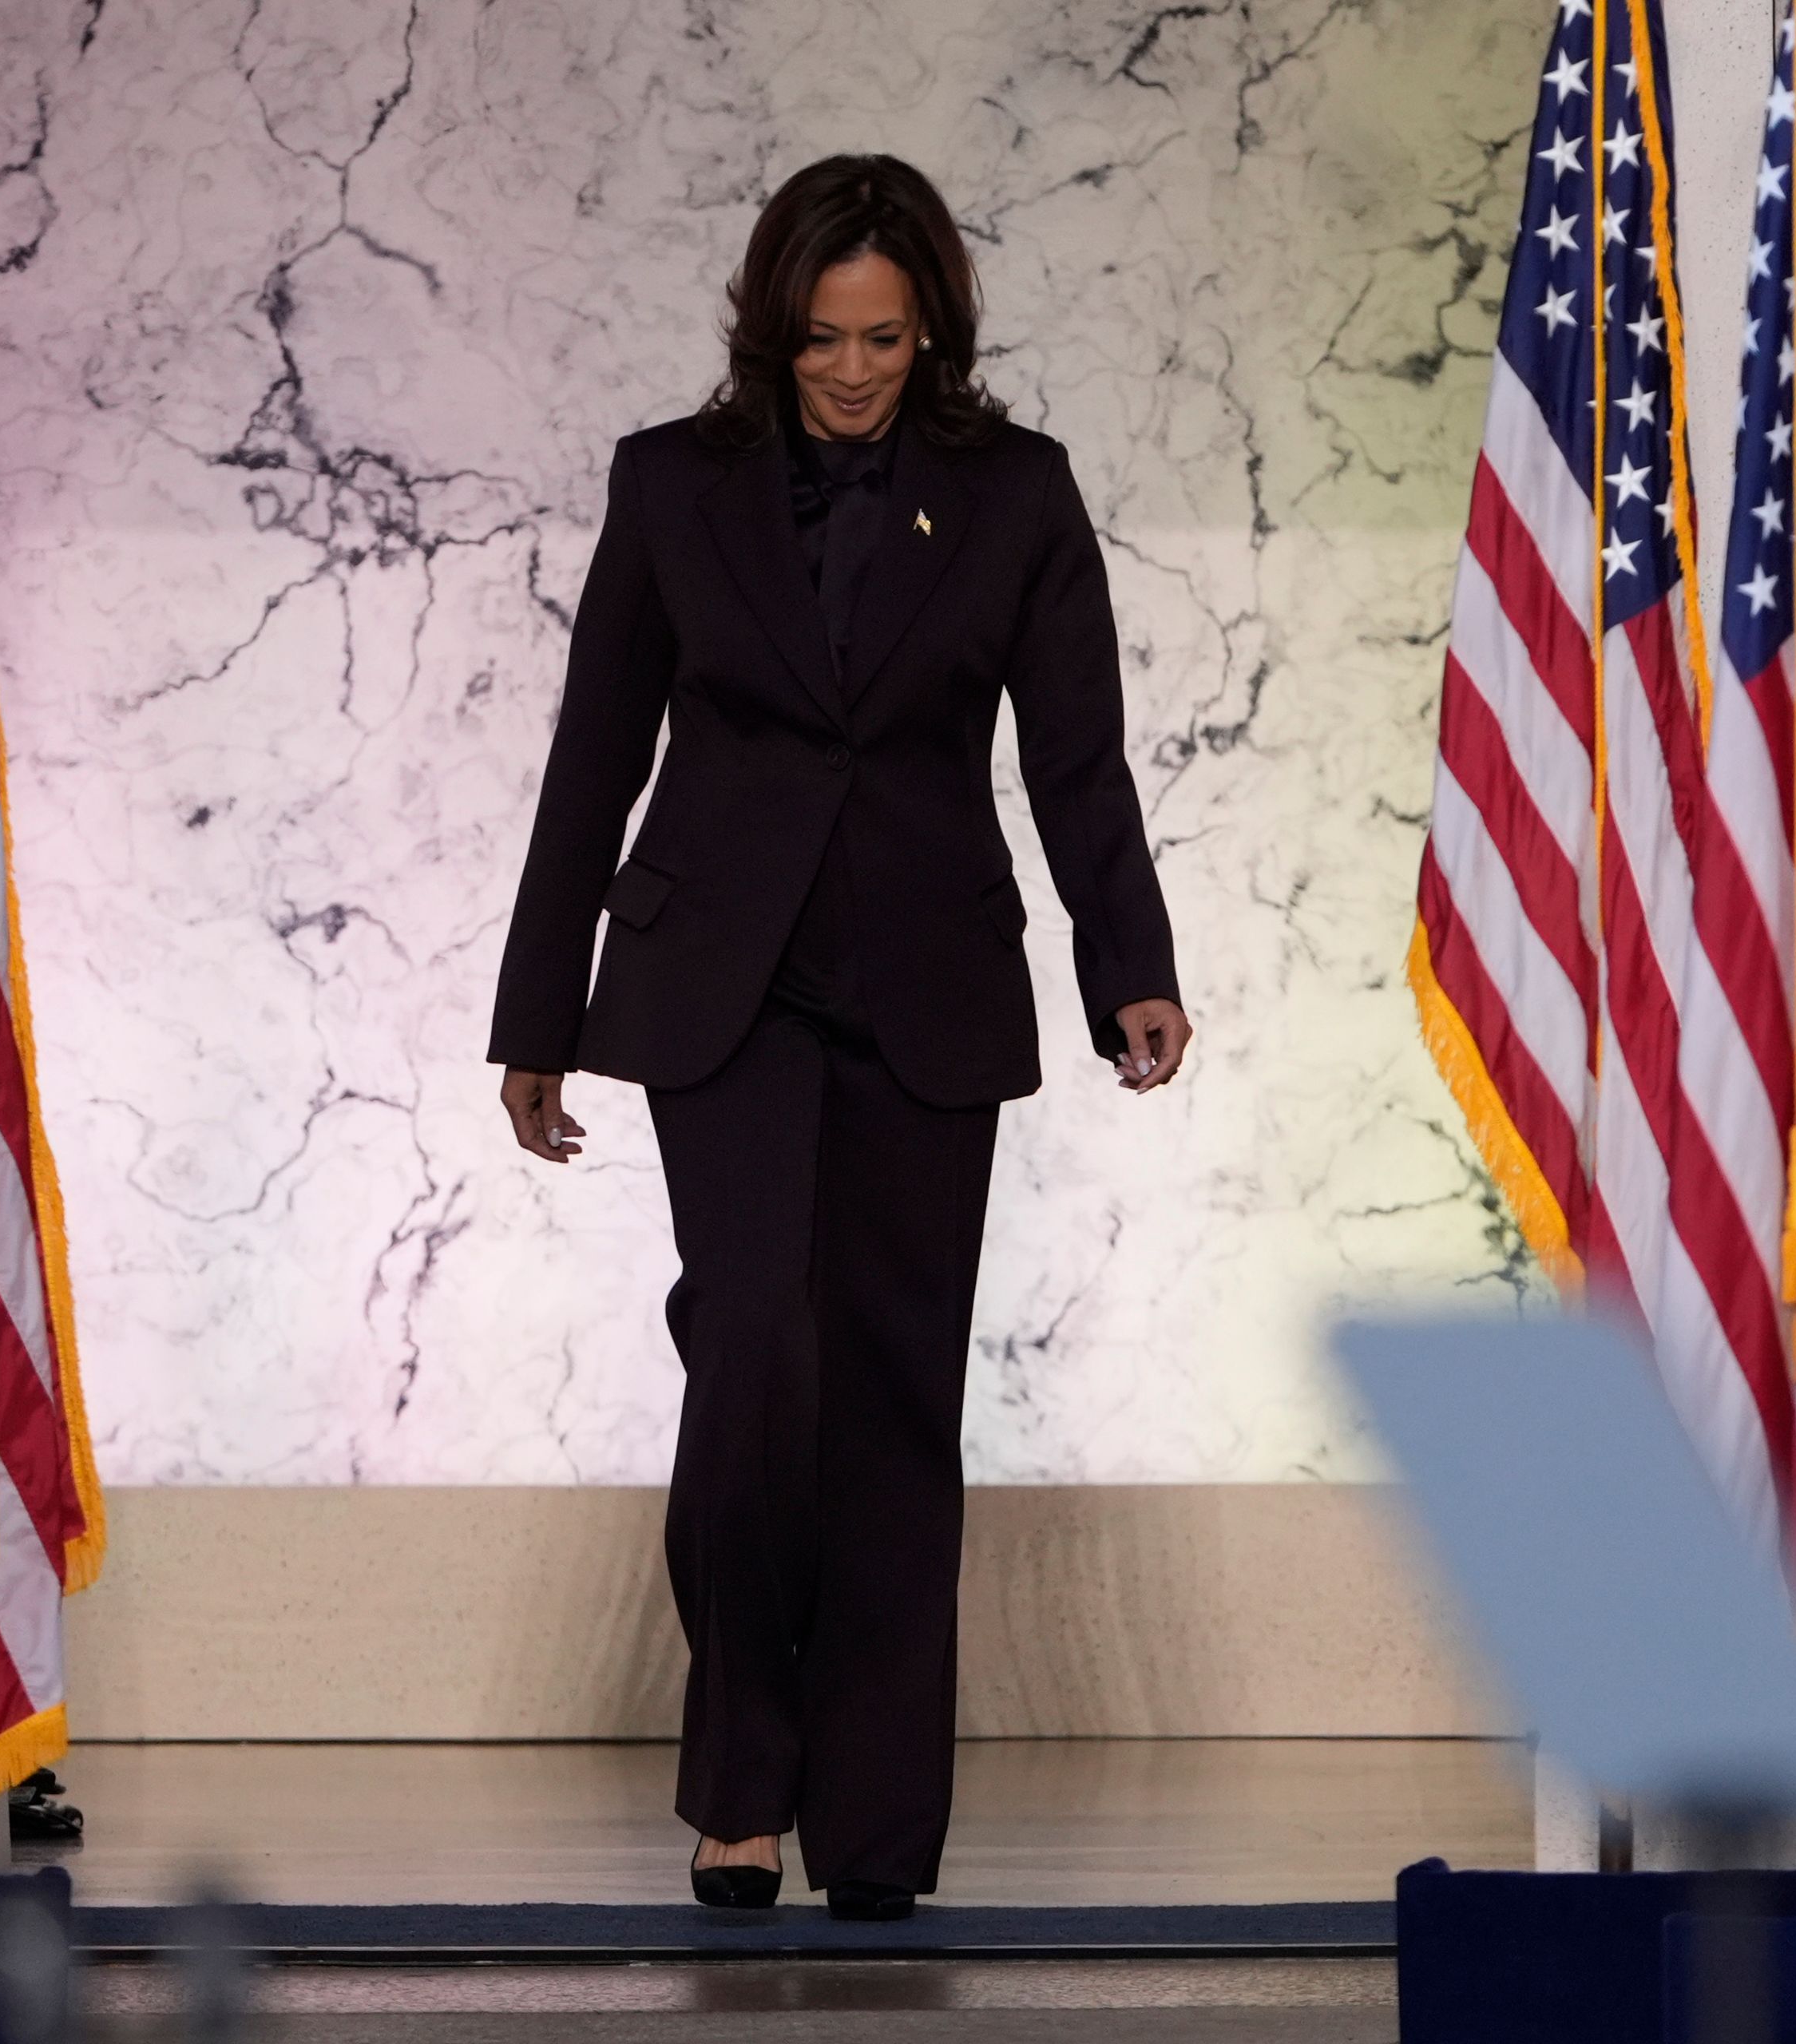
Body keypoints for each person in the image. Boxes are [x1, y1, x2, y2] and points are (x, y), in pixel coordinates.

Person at [487, 153, 1190, 1923]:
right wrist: (536, 1014)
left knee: (893, 1396)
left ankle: (875, 1824)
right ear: (770, 328)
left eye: (885, 337)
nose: (856, 370)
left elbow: (1078, 754)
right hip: (720, 992)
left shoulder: (1016, 495)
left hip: (925, 995)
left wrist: (1132, 966)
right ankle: (740, 1782)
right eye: (823, 340)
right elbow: (596, 752)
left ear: (933, 327)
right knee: (754, 1355)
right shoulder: (673, 488)